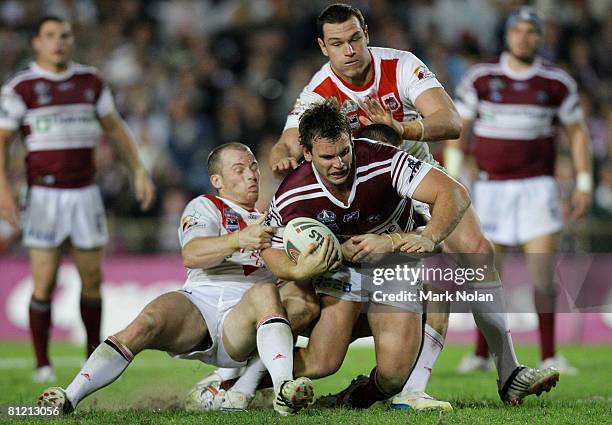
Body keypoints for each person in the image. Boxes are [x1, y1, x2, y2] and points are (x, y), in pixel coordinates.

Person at [269, 3, 559, 408]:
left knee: (477, 252)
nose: (349, 50)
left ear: (366, 33)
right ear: (323, 47)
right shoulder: (320, 90)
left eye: (354, 39)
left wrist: (401, 127)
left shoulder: (401, 65)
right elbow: (288, 138)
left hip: (417, 175)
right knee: (332, 312)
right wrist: (281, 155)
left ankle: (507, 371)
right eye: (337, 44)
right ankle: (255, 372)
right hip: (368, 199)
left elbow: (451, 121)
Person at [37, 143, 331, 416]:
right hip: (200, 305)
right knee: (146, 323)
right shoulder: (205, 206)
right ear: (217, 181)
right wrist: (239, 238)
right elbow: (192, 254)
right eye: (239, 170)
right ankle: (68, 397)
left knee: (281, 295)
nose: (252, 175)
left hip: (244, 319)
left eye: (254, 167)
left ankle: (280, 388)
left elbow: (287, 274)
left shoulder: (275, 222)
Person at [261, 98, 471, 409]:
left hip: (394, 266)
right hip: (342, 270)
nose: (340, 163)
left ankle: (351, 399)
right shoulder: (291, 194)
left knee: (393, 375)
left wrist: (415, 238)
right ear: (307, 154)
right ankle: (238, 382)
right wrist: (302, 269)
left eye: (345, 151)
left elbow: (454, 192)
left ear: (352, 139)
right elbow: (270, 249)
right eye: (327, 156)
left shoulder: (384, 160)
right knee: (323, 362)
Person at [0, 16, 155, 383]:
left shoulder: (90, 81)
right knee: (45, 281)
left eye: (64, 35)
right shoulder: (22, 88)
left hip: (85, 193)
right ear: (36, 43)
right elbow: (2, 142)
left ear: (72, 41)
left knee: (91, 280)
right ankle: (42, 363)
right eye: (50, 36)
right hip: (44, 195)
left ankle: (91, 359)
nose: (59, 42)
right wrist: (3, 190)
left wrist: (137, 170)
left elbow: (115, 129)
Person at [446, 7, 592, 375]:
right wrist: (450, 177)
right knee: (486, 272)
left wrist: (584, 182)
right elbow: (459, 130)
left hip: (538, 188)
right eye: (518, 31)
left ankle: (548, 355)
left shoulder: (556, 82)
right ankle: (482, 354)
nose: (524, 37)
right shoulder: (482, 77)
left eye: (531, 31)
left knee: (542, 271)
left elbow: (577, 133)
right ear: (507, 35)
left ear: (540, 37)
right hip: (491, 187)